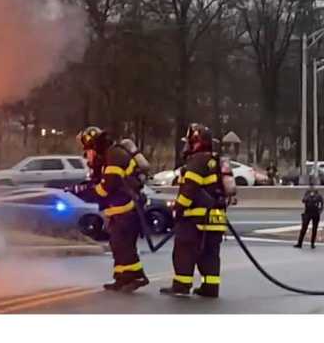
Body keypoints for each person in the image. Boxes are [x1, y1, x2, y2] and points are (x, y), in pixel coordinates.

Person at [69, 126, 150, 293]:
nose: (87, 155)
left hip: (127, 209)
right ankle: (121, 278)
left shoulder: (114, 156)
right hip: (120, 210)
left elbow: (106, 188)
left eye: (88, 150)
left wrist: (84, 193)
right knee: (117, 245)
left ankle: (137, 276)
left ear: (94, 145)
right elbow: (99, 181)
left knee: (123, 245)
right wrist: (80, 188)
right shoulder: (108, 156)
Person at [160, 123, 231, 298]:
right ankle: (210, 287)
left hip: (195, 219)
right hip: (215, 218)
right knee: (210, 254)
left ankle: (181, 285)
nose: (187, 146)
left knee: (184, 250)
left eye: (189, 142)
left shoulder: (197, 161)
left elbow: (189, 190)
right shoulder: (214, 161)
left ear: (196, 142)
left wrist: (178, 209)